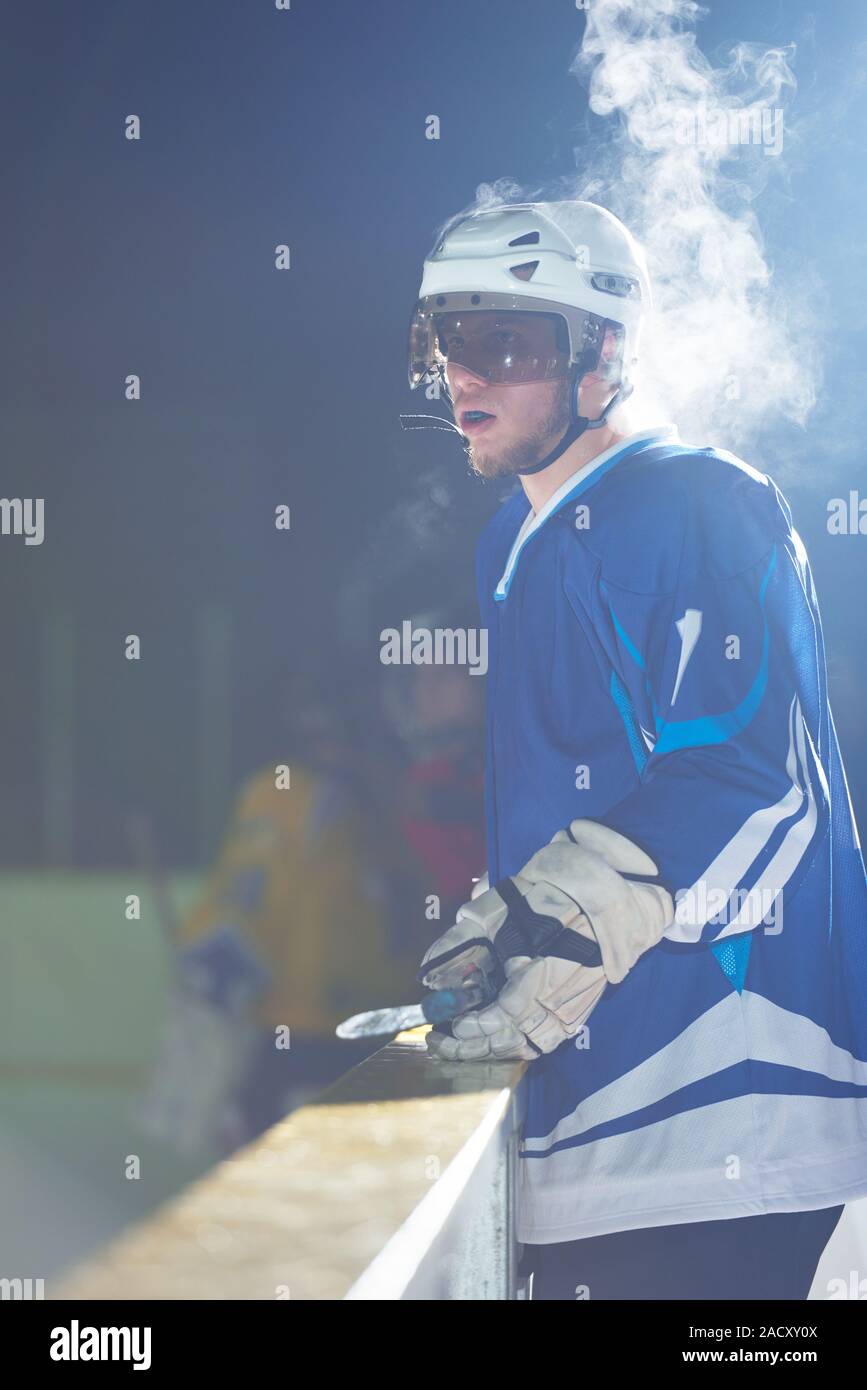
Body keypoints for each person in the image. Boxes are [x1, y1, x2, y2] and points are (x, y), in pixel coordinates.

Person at [408, 200, 867, 1299]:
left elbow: (755, 781)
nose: (463, 374)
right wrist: (518, 933)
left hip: (723, 1115)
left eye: (505, 341)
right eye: (443, 341)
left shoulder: (699, 499)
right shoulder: (509, 537)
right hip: (595, 1111)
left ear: (603, 352)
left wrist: (558, 919)